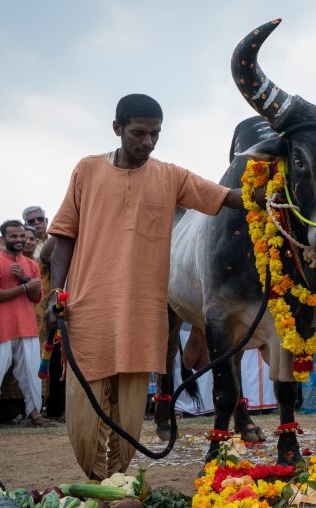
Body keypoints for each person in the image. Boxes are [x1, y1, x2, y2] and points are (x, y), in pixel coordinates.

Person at [46, 94, 250, 480]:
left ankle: (117, 479)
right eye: (139, 133)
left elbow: (226, 198)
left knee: (130, 401)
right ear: (117, 129)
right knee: (84, 405)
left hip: (142, 310)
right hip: (88, 305)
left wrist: (268, 187)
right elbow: (64, 234)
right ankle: (95, 476)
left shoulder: (170, 176)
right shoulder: (86, 170)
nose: (148, 142)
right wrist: (56, 291)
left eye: (155, 134)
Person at [0, 220, 46, 432]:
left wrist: (24, 279)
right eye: (13, 236)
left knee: (32, 372)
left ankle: (34, 412)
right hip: (1, 325)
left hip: (26, 325)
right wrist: (24, 286)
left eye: (21, 237)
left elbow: (36, 296)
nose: (19, 240)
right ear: (3, 238)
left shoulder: (31, 265)